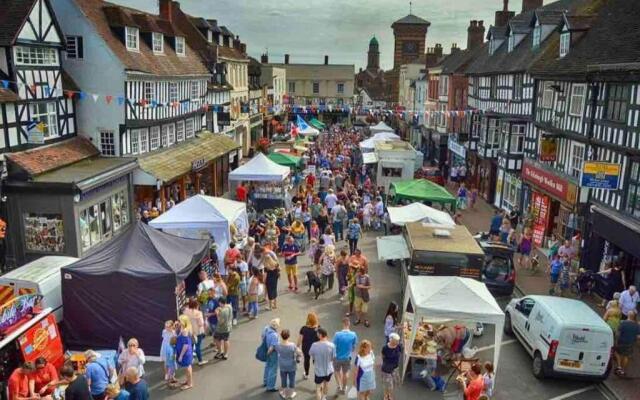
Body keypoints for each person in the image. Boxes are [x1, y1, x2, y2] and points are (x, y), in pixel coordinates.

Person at [309, 328, 336, 400]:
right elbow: (333, 357)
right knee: (326, 384)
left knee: (318, 387)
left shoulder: (314, 345)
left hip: (318, 371)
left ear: (320, 335)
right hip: (329, 370)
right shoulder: (332, 345)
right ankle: (324, 397)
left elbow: (310, 353)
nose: (317, 335)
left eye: (318, 334)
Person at [333, 317, 358, 395]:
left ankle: (339, 385)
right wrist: (351, 351)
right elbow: (354, 346)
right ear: (349, 324)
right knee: (345, 373)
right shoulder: (353, 334)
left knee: (336, 371)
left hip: (337, 357)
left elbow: (334, 346)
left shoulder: (337, 334)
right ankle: (344, 387)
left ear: (343, 324)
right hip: (347, 357)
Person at [275, 329, 301, 399]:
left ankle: (283, 393)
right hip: (291, 365)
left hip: (282, 365)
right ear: (288, 336)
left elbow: (276, 350)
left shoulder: (278, 345)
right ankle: (292, 393)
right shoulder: (292, 345)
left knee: (283, 378)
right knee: (292, 379)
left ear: (281, 336)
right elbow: (299, 352)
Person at [614, 310, 640, 376]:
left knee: (616, 353)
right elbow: (638, 337)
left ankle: (619, 366)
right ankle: (622, 370)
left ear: (628, 315)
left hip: (621, 341)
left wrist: (615, 341)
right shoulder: (637, 325)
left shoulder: (623, 323)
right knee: (626, 356)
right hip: (630, 343)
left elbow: (617, 334)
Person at [183, 298, 207, 366]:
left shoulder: (186, 312)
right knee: (198, 346)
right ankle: (200, 360)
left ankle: (190, 359)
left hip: (189, 332)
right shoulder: (198, 313)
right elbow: (201, 324)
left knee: (190, 346)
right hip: (197, 332)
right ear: (196, 305)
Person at [298, 312, 320, 380]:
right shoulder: (318, 329)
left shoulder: (303, 328)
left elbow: (300, 339)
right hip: (315, 348)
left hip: (306, 347)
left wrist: (297, 347)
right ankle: (318, 375)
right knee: (316, 361)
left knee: (306, 360)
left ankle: (306, 374)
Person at [381, 333, 403, 400]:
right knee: (387, 384)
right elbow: (382, 356)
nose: (398, 342)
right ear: (391, 340)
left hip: (395, 368)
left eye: (398, 341)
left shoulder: (398, 346)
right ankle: (386, 395)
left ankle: (390, 395)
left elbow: (400, 353)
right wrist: (385, 363)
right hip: (386, 369)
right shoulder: (385, 348)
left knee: (393, 383)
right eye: (396, 341)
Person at [175, 315, 194, 390]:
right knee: (187, 368)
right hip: (185, 353)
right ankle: (188, 381)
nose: (178, 322)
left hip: (185, 354)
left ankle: (190, 384)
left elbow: (185, 345)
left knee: (187, 367)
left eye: (179, 321)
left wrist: (181, 356)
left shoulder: (185, 331)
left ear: (183, 322)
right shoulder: (183, 329)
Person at [262, 318, 281, 392]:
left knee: (267, 366)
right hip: (272, 353)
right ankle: (270, 386)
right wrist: (268, 353)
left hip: (266, 349)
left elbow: (262, 337)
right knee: (273, 369)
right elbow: (272, 347)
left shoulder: (266, 329)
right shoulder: (274, 335)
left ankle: (265, 381)